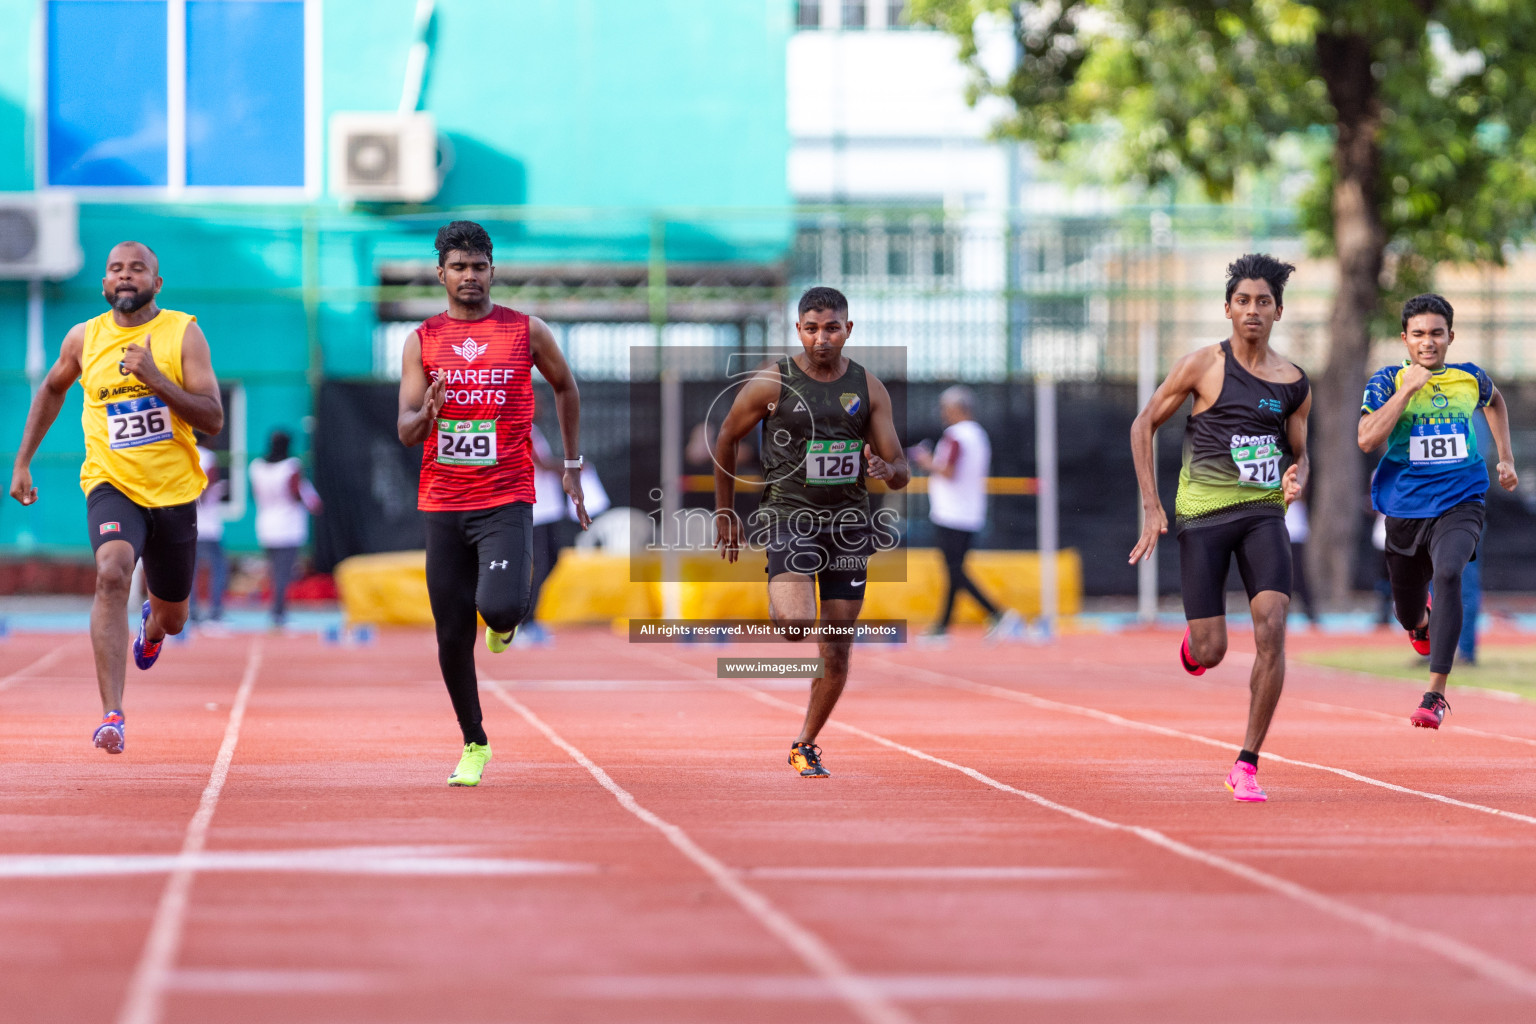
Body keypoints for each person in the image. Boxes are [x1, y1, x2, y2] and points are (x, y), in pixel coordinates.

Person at [8, 241, 222, 753]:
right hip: (112, 482)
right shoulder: (85, 338)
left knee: (174, 617)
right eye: (115, 269)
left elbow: (212, 418)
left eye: (138, 269)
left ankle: (151, 627)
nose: (125, 277)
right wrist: (22, 461)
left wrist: (155, 379)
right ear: (105, 283)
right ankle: (113, 714)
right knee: (110, 572)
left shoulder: (182, 334)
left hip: (172, 491)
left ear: (156, 282)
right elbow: (53, 389)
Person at [397, 220, 589, 788]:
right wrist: (426, 415)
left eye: (479, 267)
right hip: (443, 502)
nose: (469, 276)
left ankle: (503, 623)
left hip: (505, 497)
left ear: (492, 271)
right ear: (441, 274)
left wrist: (572, 467)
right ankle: (474, 741)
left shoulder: (525, 332)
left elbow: (566, 387)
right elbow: (406, 429)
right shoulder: (422, 341)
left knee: (501, 608)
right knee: (452, 634)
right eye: (458, 267)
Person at [1129, 254, 1311, 803]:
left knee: (1273, 623)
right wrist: (1151, 506)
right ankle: (1195, 646)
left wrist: (1296, 477)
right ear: (1227, 308)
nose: (1252, 310)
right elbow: (1144, 425)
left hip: (1262, 515)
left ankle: (1248, 762)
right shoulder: (1203, 365)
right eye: (1242, 301)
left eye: (1263, 302)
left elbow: (1298, 454)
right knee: (1211, 651)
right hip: (1204, 518)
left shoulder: (1295, 383)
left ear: (1279, 311)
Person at [713, 285, 909, 778]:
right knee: (797, 628)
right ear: (798, 329)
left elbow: (902, 467)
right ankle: (781, 595)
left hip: (847, 526)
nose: (822, 338)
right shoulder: (772, 381)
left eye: (832, 328)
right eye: (812, 328)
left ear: (848, 329)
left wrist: (887, 470)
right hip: (789, 518)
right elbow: (726, 437)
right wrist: (724, 510)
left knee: (837, 648)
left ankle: (805, 742)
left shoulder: (869, 388)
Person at [1358, 293, 1517, 728]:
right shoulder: (1387, 380)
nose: (1428, 342)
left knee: (1450, 572)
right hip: (1406, 508)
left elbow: (1495, 401)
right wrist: (1407, 390)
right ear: (1404, 339)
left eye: (1436, 334)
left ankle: (1435, 695)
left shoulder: (1470, 379)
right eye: (1419, 334)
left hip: (1461, 499)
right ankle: (1422, 622)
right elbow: (1367, 439)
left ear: (1450, 336)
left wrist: (1505, 457)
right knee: (1407, 611)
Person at [909, 385, 1021, 639]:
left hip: (951, 513)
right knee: (954, 570)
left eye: (945, 408)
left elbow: (948, 471)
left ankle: (999, 614)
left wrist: (925, 461)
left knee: (955, 570)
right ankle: (943, 627)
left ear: (956, 408)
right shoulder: (979, 435)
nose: (942, 413)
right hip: (970, 511)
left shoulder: (956, 435)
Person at [248, 430, 322, 629]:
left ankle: (277, 611)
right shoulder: (291, 466)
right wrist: (308, 497)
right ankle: (278, 613)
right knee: (284, 573)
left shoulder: (256, 466)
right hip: (288, 526)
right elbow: (295, 493)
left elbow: (255, 493)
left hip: (265, 523)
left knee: (274, 572)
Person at [191, 435, 228, 626]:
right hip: (207, 524)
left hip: (187, 523)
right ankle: (214, 612)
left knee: (190, 570)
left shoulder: (184, 454)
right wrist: (201, 498)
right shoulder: (208, 457)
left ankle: (191, 613)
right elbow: (208, 481)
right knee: (219, 569)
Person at [1283, 496, 1319, 625]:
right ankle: (1283, 611)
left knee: (1297, 574)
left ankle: (1309, 610)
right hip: (1281, 530)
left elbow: (1300, 494)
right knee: (1282, 574)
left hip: (1295, 533)